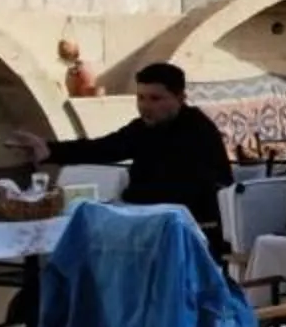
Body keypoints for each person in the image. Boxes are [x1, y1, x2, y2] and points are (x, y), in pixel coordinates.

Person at [45, 64, 233, 244]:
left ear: (180, 98)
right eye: (141, 98)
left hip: (190, 229)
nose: (145, 106)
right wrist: (49, 150)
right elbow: (103, 148)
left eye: (155, 99)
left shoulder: (197, 130)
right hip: (147, 219)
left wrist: (129, 202)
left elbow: (190, 189)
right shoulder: (143, 128)